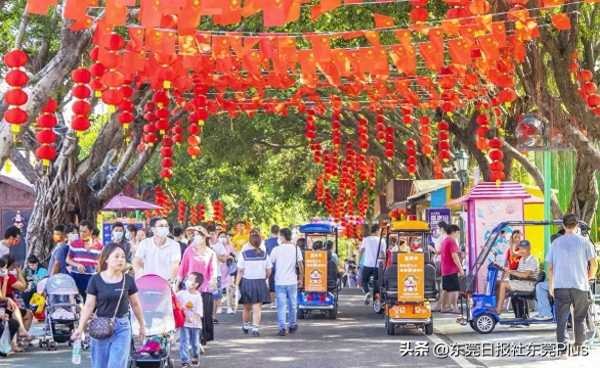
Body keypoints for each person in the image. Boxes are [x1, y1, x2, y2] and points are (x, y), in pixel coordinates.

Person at [71, 244, 145, 368]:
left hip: (122, 327)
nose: (121, 259)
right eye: (116, 256)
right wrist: (80, 328)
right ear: (106, 259)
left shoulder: (128, 280)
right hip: (100, 326)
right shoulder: (95, 280)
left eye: (123, 257)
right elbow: (89, 306)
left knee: (116, 364)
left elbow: (136, 304)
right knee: (99, 365)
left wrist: (142, 325)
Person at [547, 214, 597, 349]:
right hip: (580, 286)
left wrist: (551, 285)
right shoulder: (585, 242)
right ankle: (579, 346)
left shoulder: (555, 243)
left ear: (563, 226)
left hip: (560, 286)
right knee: (580, 317)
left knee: (562, 320)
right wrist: (588, 278)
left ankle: (563, 351)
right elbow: (594, 264)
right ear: (577, 226)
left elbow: (550, 268)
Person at [177, 227, 217, 346]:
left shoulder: (211, 253)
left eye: (198, 234)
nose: (196, 237)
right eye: (194, 234)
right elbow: (182, 268)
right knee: (189, 314)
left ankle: (202, 338)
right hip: (190, 288)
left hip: (205, 288)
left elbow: (213, 271)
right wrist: (177, 283)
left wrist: (213, 281)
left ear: (205, 237)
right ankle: (191, 339)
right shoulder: (189, 251)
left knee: (204, 314)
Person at [236, 232, 272, 337]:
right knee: (257, 308)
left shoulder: (244, 255)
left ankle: (246, 325)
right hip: (260, 282)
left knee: (246, 308)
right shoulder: (265, 255)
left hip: (247, 283)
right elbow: (269, 270)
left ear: (249, 242)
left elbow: (240, 271)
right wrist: (264, 277)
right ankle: (255, 328)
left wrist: (236, 284)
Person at [270, 228, 303, 336]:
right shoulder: (296, 249)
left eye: (279, 236)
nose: (278, 238)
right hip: (292, 281)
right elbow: (300, 265)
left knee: (281, 306)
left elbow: (270, 263)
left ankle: (282, 328)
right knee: (293, 305)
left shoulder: (276, 249)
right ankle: (292, 325)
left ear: (283, 236)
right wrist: (301, 279)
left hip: (279, 281)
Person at [495, 240, 539, 314]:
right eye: (520, 249)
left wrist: (511, 271)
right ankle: (496, 305)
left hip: (529, 284)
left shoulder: (533, 260)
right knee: (497, 283)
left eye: (523, 249)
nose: (521, 251)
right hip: (521, 282)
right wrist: (507, 272)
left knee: (503, 284)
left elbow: (525, 275)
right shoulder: (522, 259)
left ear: (528, 249)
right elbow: (518, 273)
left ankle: (498, 310)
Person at [133, 218, 181, 282]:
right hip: (148, 281)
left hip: (166, 283)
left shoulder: (175, 245)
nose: (164, 228)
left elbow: (175, 265)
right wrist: (140, 274)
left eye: (166, 226)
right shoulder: (145, 243)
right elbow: (137, 261)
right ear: (153, 229)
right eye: (161, 226)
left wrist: (171, 281)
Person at [177, 272, 204, 368]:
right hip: (184, 323)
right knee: (184, 341)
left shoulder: (198, 297)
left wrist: (192, 319)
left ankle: (195, 357)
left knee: (195, 343)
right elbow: (174, 300)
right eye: (187, 278)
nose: (187, 280)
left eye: (190, 279)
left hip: (195, 325)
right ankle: (184, 361)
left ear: (196, 284)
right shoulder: (181, 294)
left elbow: (199, 313)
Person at [438, 224, 464, 313]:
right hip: (451, 269)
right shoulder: (451, 241)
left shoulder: (445, 241)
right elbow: (454, 256)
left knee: (446, 289)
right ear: (454, 232)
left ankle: (443, 307)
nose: (458, 235)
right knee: (455, 289)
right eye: (457, 233)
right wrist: (460, 268)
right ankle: (454, 307)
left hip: (445, 269)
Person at [359, 224, 386, 304]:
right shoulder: (382, 240)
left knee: (364, 281)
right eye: (380, 230)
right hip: (377, 266)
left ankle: (367, 293)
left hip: (367, 264)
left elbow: (361, 251)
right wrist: (383, 264)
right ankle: (376, 299)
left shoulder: (366, 239)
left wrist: (359, 262)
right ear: (377, 231)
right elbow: (383, 254)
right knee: (376, 282)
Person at [218, 232, 237, 314]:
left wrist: (231, 257)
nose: (223, 238)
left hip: (228, 270)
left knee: (229, 289)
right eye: (221, 236)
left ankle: (229, 307)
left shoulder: (230, 246)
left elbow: (234, 256)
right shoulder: (217, 247)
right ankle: (219, 307)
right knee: (218, 290)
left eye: (224, 236)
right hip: (218, 270)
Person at [265, 225, 280, 307]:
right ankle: (278, 301)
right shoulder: (280, 241)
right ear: (279, 231)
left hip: (270, 265)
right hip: (280, 264)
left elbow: (265, 254)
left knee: (271, 283)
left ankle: (272, 302)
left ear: (271, 231)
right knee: (279, 282)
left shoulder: (267, 242)